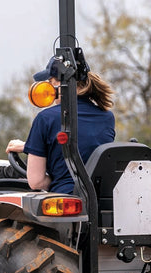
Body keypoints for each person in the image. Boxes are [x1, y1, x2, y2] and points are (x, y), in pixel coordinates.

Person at [6, 57, 115, 194]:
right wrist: (28, 147)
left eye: (50, 82)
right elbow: (84, 144)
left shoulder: (45, 118)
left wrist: (61, 181)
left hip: (66, 200)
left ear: (61, 83)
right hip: (102, 198)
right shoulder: (107, 117)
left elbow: (36, 181)